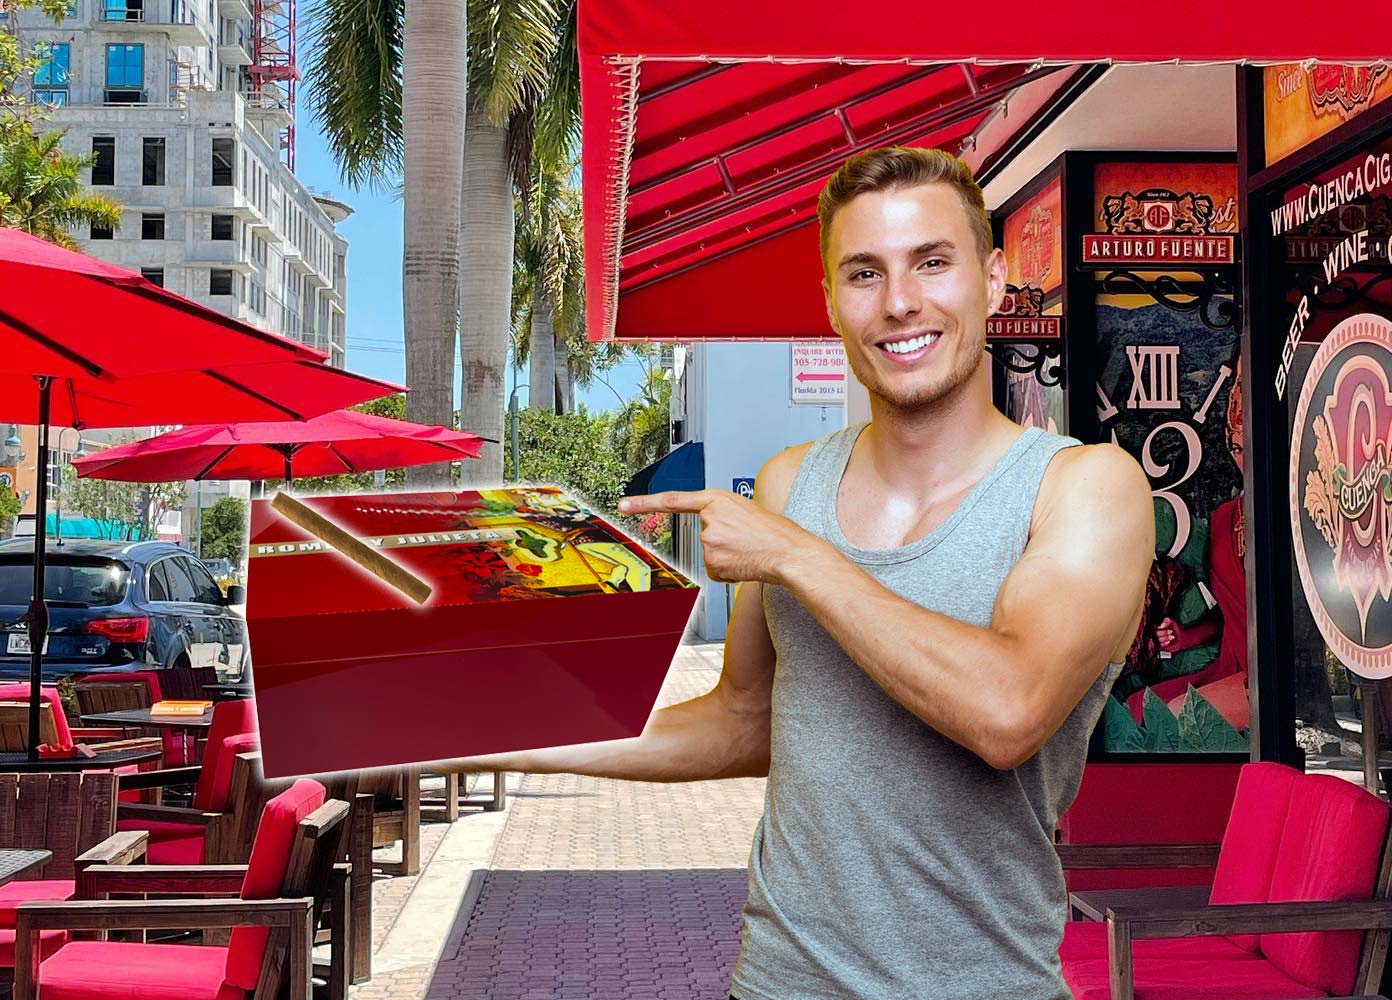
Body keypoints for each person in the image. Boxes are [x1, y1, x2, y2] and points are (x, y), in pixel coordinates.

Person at [445, 146, 1154, 1000]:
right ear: (831, 303)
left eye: (933, 262)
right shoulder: (790, 483)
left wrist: (794, 555)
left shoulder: (1085, 489)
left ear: (994, 280)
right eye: (865, 273)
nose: (900, 302)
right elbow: (745, 722)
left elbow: (1007, 711)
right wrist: (483, 731)